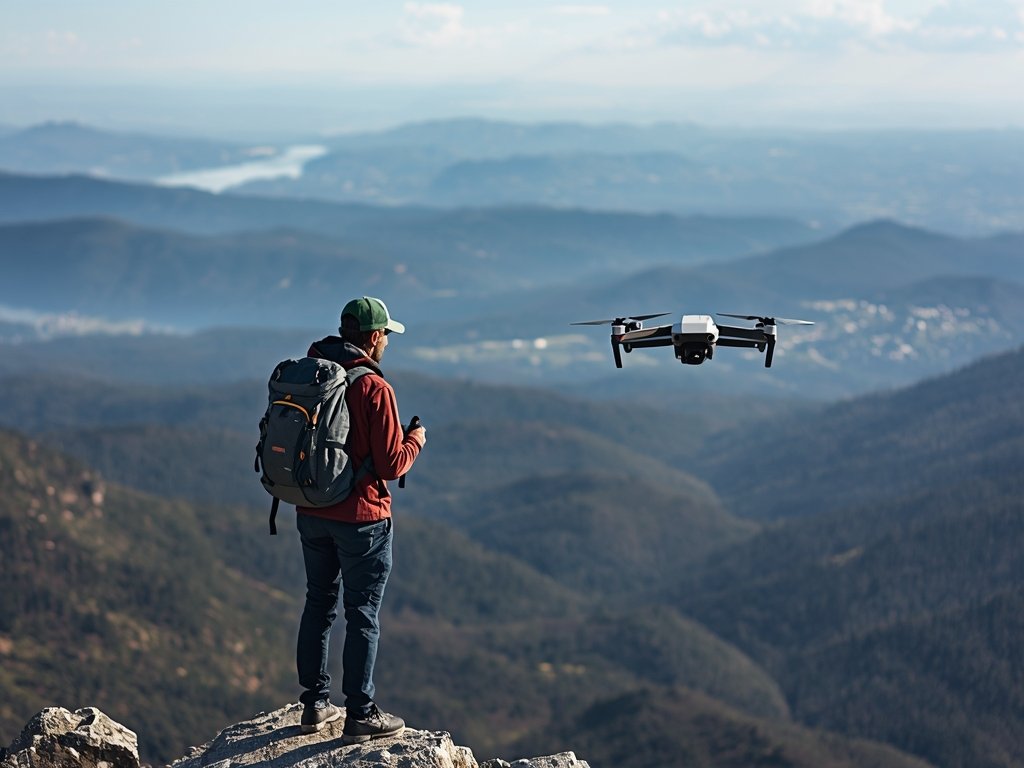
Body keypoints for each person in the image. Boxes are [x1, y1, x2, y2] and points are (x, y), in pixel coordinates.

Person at [294, 296, 426, 744]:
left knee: (318, 603)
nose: (387, 340)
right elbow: (391, 465)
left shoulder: (313, 370)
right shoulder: (374, 388)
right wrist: (416, 441)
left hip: (311, 508)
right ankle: (360, 713)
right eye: (386, 333)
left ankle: (313, 705)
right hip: (362, 517)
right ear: (373, 337)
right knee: (362, 613)